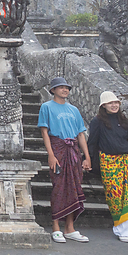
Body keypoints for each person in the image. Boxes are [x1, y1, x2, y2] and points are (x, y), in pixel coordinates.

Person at [87, 91, 128, 244]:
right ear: (104, 105)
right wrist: (87, 160)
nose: (114, 105)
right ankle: (122, 230)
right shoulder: (97, 122)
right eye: (111, 103)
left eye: (116, 103)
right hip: (109, 164)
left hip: (126, 162)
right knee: (116, 197)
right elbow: (92, 143)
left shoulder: (124, 121)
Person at [38, 76, 92, 243]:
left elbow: (81, 134)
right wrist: (51, 154)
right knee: (59, 188)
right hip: (58, 148)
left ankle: (70, 228)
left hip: (73, 151)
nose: (65, 90)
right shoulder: (46, 107)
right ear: (53, 90)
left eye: (67, 88)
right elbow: (44, 132)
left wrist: (87, 157)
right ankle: (56, 227)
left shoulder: (74, 110)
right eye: (61, 87)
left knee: (74, 188)